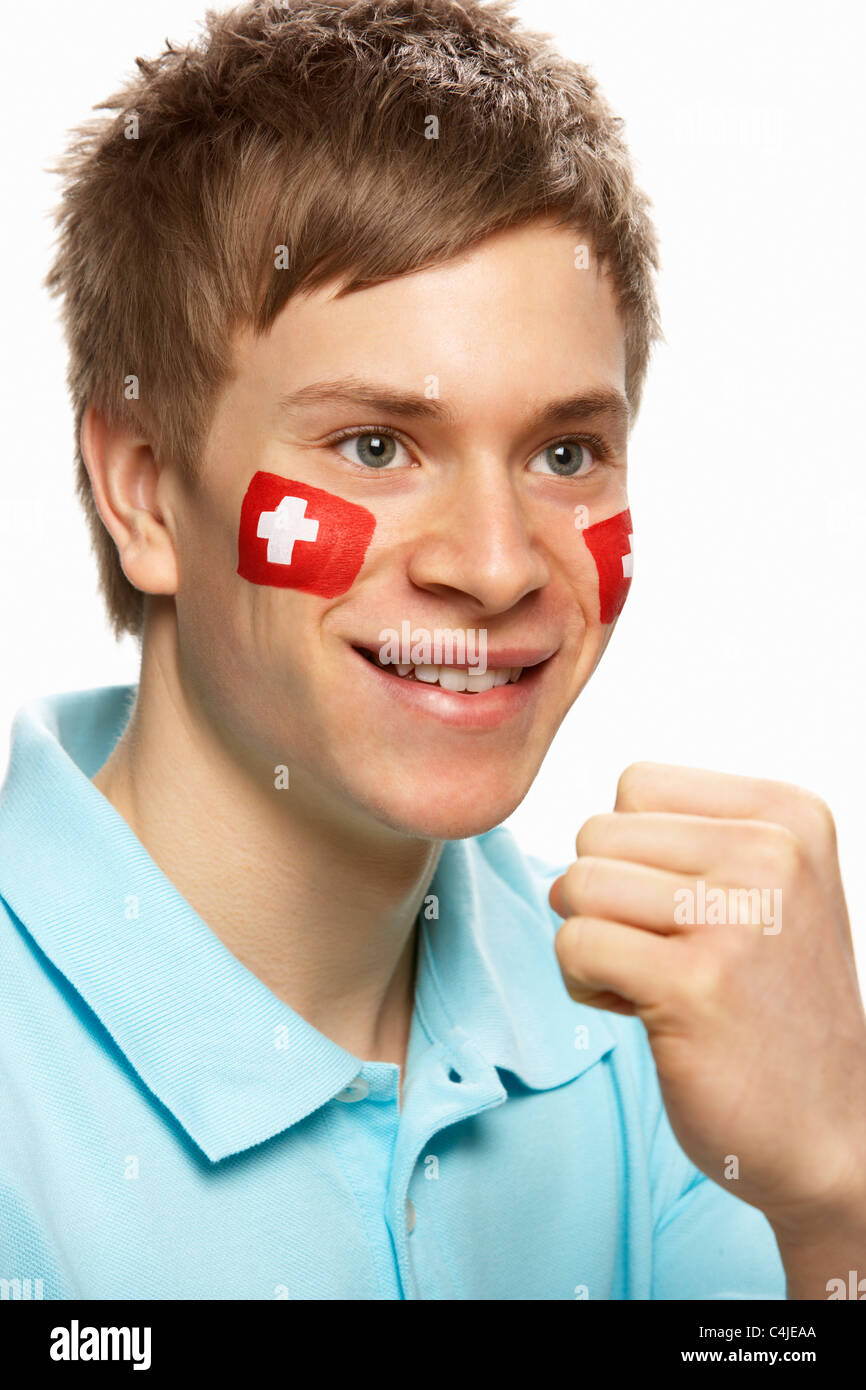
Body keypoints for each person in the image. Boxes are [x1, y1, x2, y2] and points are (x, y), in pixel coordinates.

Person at [1, 0, 863, 1301]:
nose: (498, 562)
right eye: (375, 445)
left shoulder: (657, 1027)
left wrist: (833, 1202)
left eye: (563, 451)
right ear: (144, 494)